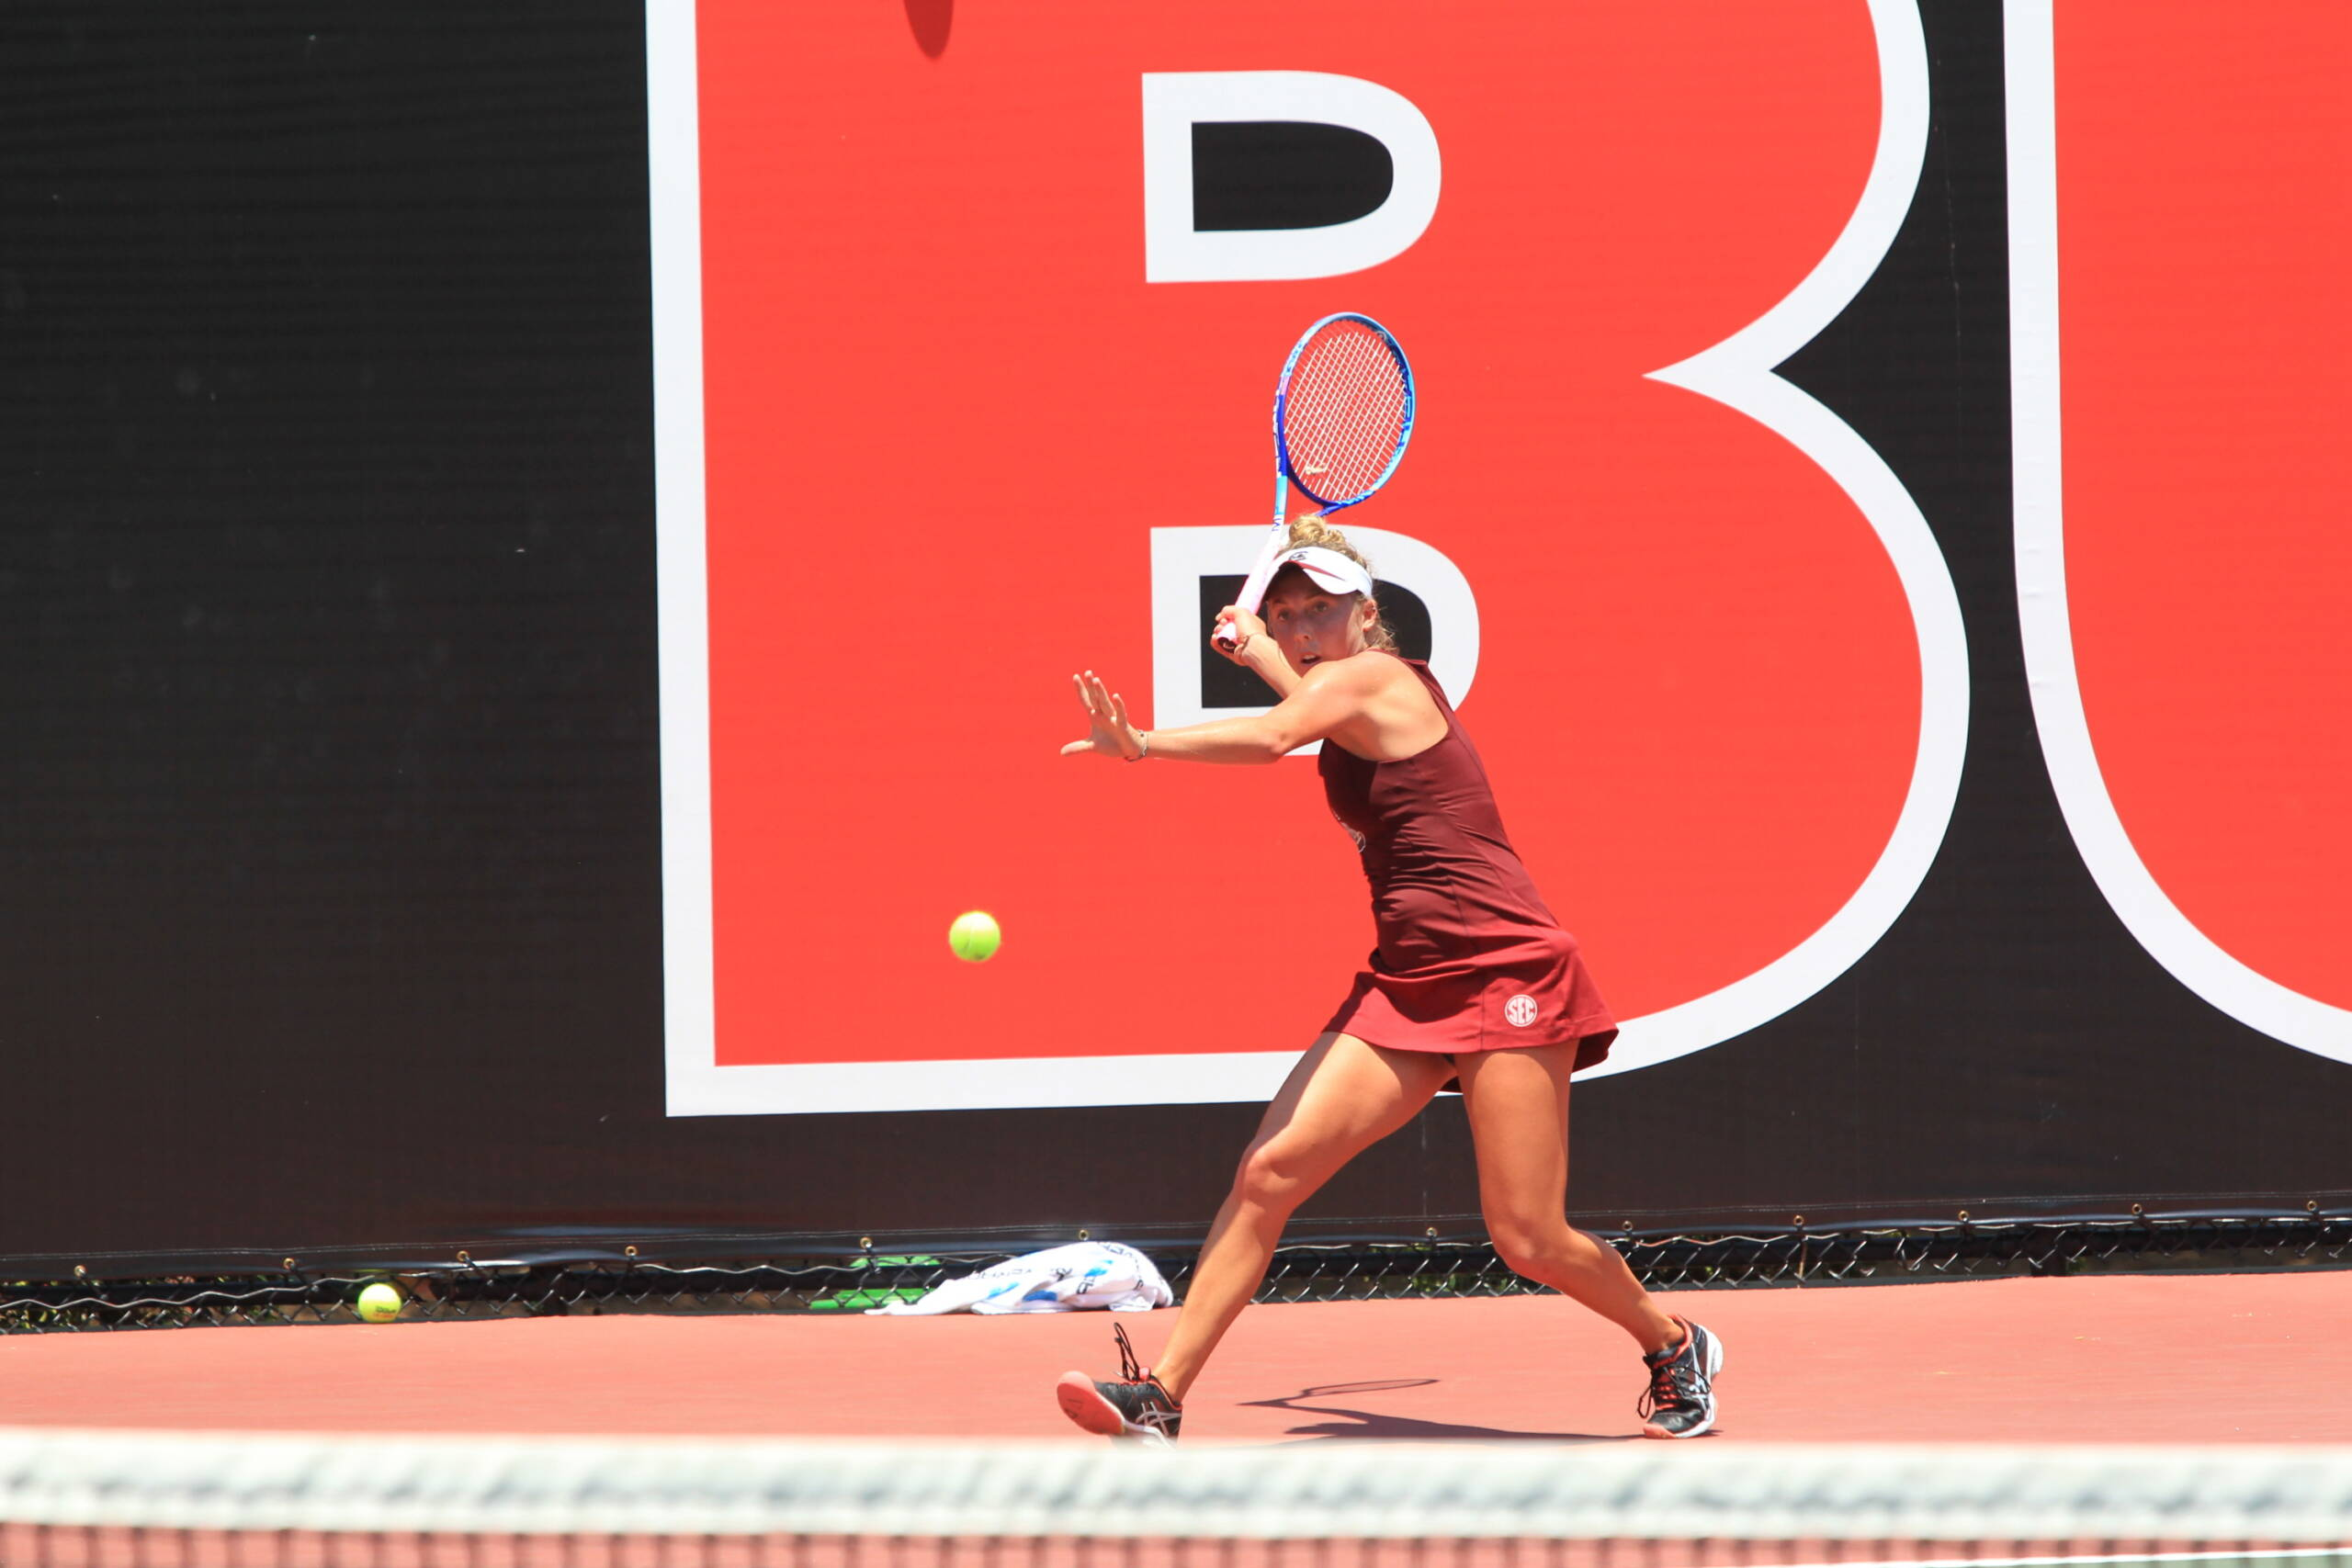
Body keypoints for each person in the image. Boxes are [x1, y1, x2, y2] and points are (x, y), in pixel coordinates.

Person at [1052, 517, 1723, 1443]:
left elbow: (1277, 736)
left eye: (1320, 611)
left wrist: (1140, 744)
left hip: (1506, 967)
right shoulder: (1343, 689)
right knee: (1269, 1172)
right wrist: (1263, 656)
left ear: (1366, 614)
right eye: (1286, 614)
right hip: (1409, 980)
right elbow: (1310, 708)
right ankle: (1160, 1396)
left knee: (1527, 1238)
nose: (1301, 628)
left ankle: (1675, 1342)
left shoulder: (1377, 676)